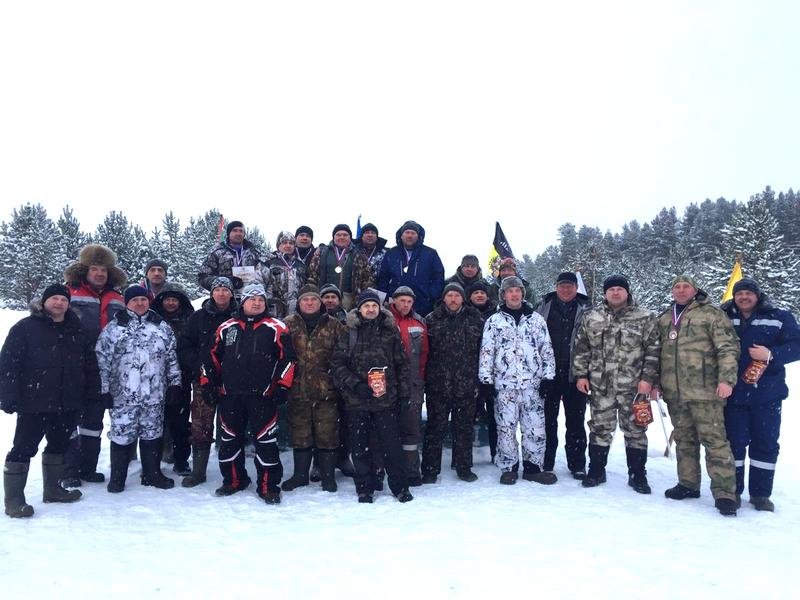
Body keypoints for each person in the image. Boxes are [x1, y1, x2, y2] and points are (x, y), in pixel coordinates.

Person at [1, 284, 97, 517]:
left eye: (63, 300)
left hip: (67, 402)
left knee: (59, 445)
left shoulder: (77, 329)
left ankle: (53, 490)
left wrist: (92, 391)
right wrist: (7, 394)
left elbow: (89, 365)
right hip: (34, 401)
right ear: (44, 302)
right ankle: (14, 501)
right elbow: (8, 365)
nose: (59, 303)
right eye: (54, 299)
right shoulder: (25, 328)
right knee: (23, 449)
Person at [205, 283, 296, 504]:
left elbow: (289, 359)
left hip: (264, 396)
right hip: (230, 395)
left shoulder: (277, 327)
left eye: (260, 300)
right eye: (251, 299)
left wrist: (283, 386)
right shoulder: (227, 327)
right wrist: (208, 383)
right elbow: (211, 358)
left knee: (265, 442)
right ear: (242, 302)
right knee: (229, 440)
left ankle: (268, 486)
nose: (256, 303)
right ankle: (234, 480)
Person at [657, 275, 740, 516]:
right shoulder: (664, 318)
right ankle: (688, 484)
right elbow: (655, 352)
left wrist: (726, 380)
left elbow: (728, 348)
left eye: (686, 286)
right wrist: (657, 382)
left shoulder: (712, 314)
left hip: (706, 392)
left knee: (715, 442)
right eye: (676, 286)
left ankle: (725, 493)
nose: (681, 290)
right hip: (675, 392)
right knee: (684, 440)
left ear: (695, 290)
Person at [572, 274, 660, 492]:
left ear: (627, 292)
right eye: (611, 289)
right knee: (600, 428)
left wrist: (648, 380)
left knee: (636, 430)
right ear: (605, 293)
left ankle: (637, 474)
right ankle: (596, 470)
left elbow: (653, 351)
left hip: (634, 388)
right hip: (601, 386)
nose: (615, 292)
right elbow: (582, 348)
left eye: (620, 289)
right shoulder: (592, 317)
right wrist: (581, 375)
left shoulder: (645, 317)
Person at [721, 278, 800, 511]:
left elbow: (797, 345)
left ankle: (760, 494)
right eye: (739, 293)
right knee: (734, 444)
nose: (744, 297)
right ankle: (732, 491)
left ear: (758, 295)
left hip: (767, 395)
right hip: (733, 394)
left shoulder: (778, 317)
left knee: (765, 444)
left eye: (748, 293)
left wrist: (771, 354)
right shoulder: (724, 315)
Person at [330, 290, 414, 503]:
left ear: (380, 308)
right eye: (366, 306)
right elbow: (337, 364)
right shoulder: (348, 332)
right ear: (360, 309)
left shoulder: (390, 331)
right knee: (360, 447)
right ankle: (365, 488)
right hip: (357, 401)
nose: (370, 309)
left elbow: (402, 365)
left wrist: (404, 395)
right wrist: (355, 385)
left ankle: (399, 487)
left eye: (374, 306)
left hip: (386, 400)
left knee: (391, 447)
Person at [96, 285, 182, 493]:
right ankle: (117, 477)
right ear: (127, 303)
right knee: (121, 434)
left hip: (154, 394)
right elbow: (102, 360)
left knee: (152, 434)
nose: (140, 303)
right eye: (135, 301)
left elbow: (172, 358)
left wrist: (175, 384)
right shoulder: (114, 328)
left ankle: (152, 474)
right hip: (122, 395)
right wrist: (104, 390)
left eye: (143, 300)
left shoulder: (161, 327)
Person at [479, 276, 556, 485]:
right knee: (506, 428)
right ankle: (509, 467)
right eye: (509, 291)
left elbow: (546, 349)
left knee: (535, 428)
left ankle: (533, 468)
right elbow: (487, 351)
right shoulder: (494, 321)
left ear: (522, 293)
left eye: (517, 290)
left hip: (532, 386)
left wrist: (548, 377)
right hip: (504, 386)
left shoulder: (536, 319)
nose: (514, 294)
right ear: (503, 295)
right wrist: (486, 380)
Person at [62, 243, 126, 487]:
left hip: (102, 369)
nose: (100, 274)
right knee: (68, 420)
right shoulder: (69, 292)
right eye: (95, 269)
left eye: (104, 270)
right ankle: (68, 470)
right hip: (72, 366)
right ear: (85, 270)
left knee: (92, 421)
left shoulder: (118, 298)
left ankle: (88, 467)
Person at [281, 285, 347, 493]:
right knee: (300, 434)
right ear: (299, 303)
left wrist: (336, 380)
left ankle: (328, 477)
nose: (310, 303)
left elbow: (344, 356)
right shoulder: (287, 325)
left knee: (327, 434)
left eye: (314, 299)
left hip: (326, 390)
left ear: (320, 303)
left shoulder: (335, 325)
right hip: (297, 389)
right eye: (305, 300)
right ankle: (300, 476)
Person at [177, 277, 239, 488]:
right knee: (201, 424)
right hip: (203, 378)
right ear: (212, 293)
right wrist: (199, 366)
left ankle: (232, 469)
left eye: (225, 290)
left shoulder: (239, 316)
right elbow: (184, 346)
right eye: (218, 290)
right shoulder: (198, 318)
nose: (222, 293)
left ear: (231, 293)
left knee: (231, 425)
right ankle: (198, 471)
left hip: (233, 380)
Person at [421, 283, 483, 483]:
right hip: (438, 384)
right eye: (450, 295)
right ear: (444, 298)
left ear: (463, 298)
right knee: (434, 428)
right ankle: (430, 469)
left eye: (457, 295)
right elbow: (424, 352)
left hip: (466, 383)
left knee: (464, 427)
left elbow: (484, 351)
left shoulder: (475, 319)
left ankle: (464, 467)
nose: (453, 299)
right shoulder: (430, 320)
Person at [534, 272, 591, 479]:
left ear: (576, 288)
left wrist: (587, 372)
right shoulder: (543, 307)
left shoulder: (587, 309)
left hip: (576, 375)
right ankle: (546, 462)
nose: (566, 289)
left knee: (575, 422)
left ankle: (577, 464)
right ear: (556, 286)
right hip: (548, 376)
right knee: (547, 422)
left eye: (570, 286)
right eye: (562, 285)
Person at [152, 283, 195, 476]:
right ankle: (153, 460)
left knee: (180, 421)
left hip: (182, 376)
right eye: (167, 299)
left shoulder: (189, 320)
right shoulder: (151, 320)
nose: (170, 302)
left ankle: (181, 460)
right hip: (154, 378)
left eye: (174, 299)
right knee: (155, 421)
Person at [388, 286, 429, 486]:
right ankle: (382, 471)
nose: (405, 305)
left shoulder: (420, 323)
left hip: (413, 383)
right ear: (394, 301)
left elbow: (424, 354)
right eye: (402, 301)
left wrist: (420, 380)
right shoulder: (384, 319)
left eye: (409, 301)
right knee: (385, 427)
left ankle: (412, 471)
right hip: (388, 382)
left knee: (411, 427)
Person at [376, 220, 445, 318]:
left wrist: (431, 296)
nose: (410, 236)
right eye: (407, 232)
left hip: (423, 305)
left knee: (420, 331)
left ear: (418, 236)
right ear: (401, 235)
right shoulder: (391, 253)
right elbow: (383, 278)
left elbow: (438, 276)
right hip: (395, 305)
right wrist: (387, 298)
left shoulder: (430, 253)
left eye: (413, 233)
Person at [197, 220, 274, 296]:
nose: (238, 233)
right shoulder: (217, 252)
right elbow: (203, 277)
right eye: (234, 230)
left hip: (250, 298)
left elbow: (266, 276)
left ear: (244, 234)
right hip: (225, 298)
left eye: (241, 231)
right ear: (228, 233)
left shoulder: (254, 253)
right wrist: (226, 281)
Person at [467, 280, 499, 462]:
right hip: (469, 373)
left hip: (494, 373)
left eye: (482, 292)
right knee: (468, 415)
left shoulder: (497, 314)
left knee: (496, 415)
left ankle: (497, 453)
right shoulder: (464, 314)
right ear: (469, 296)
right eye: (475, 292)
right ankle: (464, 457)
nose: (479, 295)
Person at [307, 224, 373, 310]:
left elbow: (367, 279)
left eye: (345, 235)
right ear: (333, 237)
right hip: (326, 297)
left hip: (349, 299)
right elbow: (313, 276)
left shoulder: (359, 254)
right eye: (338, 235)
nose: (342, 237)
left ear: (350, 238)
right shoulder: (322, 252)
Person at [265, 231, 307, 318]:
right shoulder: (268, 262)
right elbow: (261, 284)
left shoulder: (301, 265)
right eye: (284, 243)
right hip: (273, 308)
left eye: (291, 243)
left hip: (295, 308)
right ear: (278, 245)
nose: (288, 245)